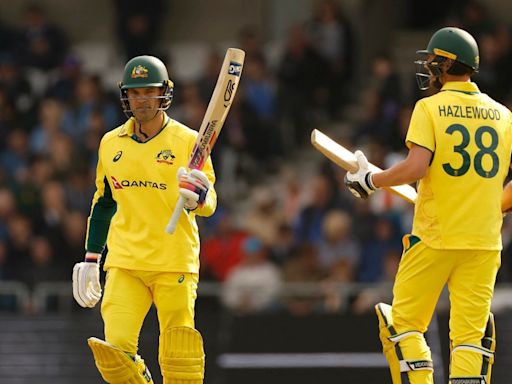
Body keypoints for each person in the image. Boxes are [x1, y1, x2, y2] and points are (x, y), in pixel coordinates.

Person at [344, 27, 512, 384]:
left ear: (447, 64)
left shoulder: (429, 108)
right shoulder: (503, 116)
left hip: (435, 236)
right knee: (470, 337)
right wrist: (495, 205)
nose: (429, 67)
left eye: (434, 61)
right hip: (483, 240)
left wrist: (370, 180)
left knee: (403, 325)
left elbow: (417, 167)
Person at [72, 55, 217, 384]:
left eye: (149, 91)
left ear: (163, 93)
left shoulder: (187, 141)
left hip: (174, 260)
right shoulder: (111, 143)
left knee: (179, 357)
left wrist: (199, 196)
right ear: (126, 95)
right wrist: (91, 258)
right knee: (116, 356)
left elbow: (210, 202)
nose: (142, 100)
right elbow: (105, 202)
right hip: (126, 261)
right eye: (135, 93)